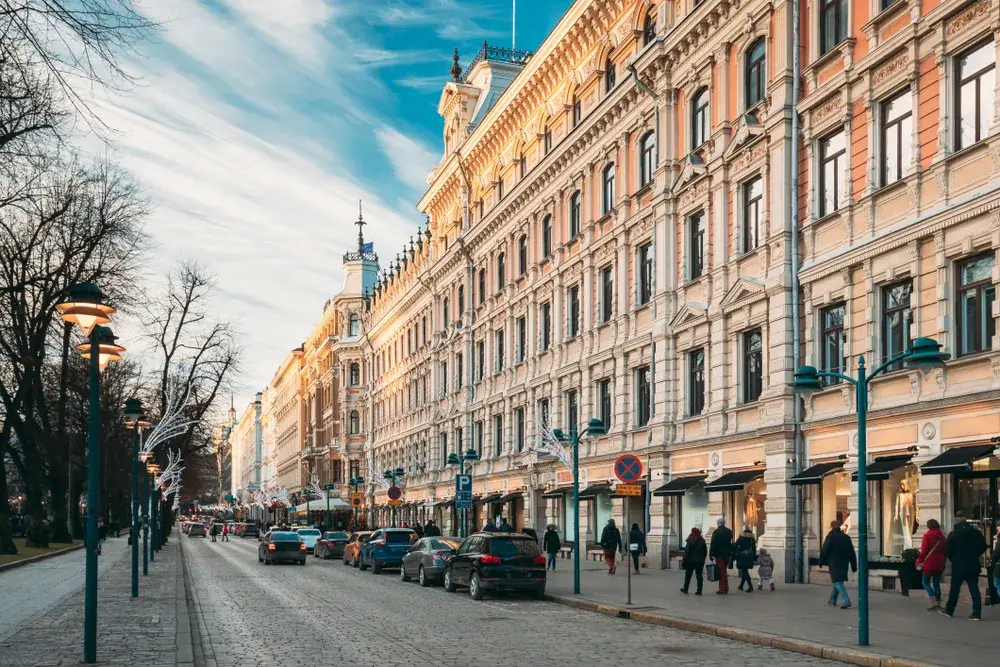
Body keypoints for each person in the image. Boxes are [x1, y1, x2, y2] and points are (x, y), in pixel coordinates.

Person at [940, 511, 987, 620]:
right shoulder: (976, 533)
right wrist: (975, 554)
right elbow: (983, 546)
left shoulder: (953, 534)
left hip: (958, 565)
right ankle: (976, 613)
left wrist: (954, 558)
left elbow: (947, 550)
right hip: (973, 564)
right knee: (974, 589)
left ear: (956, 523)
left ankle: (949, 610)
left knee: (954, 589)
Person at [819, 520, 857, 609]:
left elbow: (825, 550)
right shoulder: (846, 537)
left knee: (836, 581)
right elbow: (852, 552)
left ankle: (846, 600)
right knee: (838, 581)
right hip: (844, 563)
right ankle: (832, 600)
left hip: (834, 563)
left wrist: (821, 561)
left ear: (832, 527)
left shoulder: (830, 537)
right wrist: (854, 565)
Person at [915, 518, 945, 610]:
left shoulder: (927, 536)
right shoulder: (942, 537)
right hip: (940, 563)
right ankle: (938, 603)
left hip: (929, 563)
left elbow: (924, 551)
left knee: (925, 582)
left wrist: (918, 562)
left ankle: (933, 600)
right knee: (936, 583)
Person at [709, 518, 733, 594]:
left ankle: (722, 588)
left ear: (718, 523)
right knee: (724, 570)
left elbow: (713, 543)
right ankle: (725, 587)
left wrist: (711, 554)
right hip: (727, 554)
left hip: (719, 554)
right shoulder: (729, 531)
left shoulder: (716, 532)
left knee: (721, 571)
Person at [680, 527, 707, 595]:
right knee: (699, 576)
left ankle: (685, 589)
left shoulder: (690, 540)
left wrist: (683, 561)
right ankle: (699, 591)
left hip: (690, 561)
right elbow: (705, 552)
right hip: (699, 561)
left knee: (688, 576)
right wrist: (702, 559)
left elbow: (686, 552)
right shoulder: (702, 541)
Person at [734, 526, 757, 593]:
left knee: (744, 571)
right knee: (745, 570)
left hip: (742, 557)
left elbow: (734, 546)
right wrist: (754, 558)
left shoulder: (740, 539)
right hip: (750, 557)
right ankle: (741, 586)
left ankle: (750, 586)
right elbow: (754, 550)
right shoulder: (752, 540)